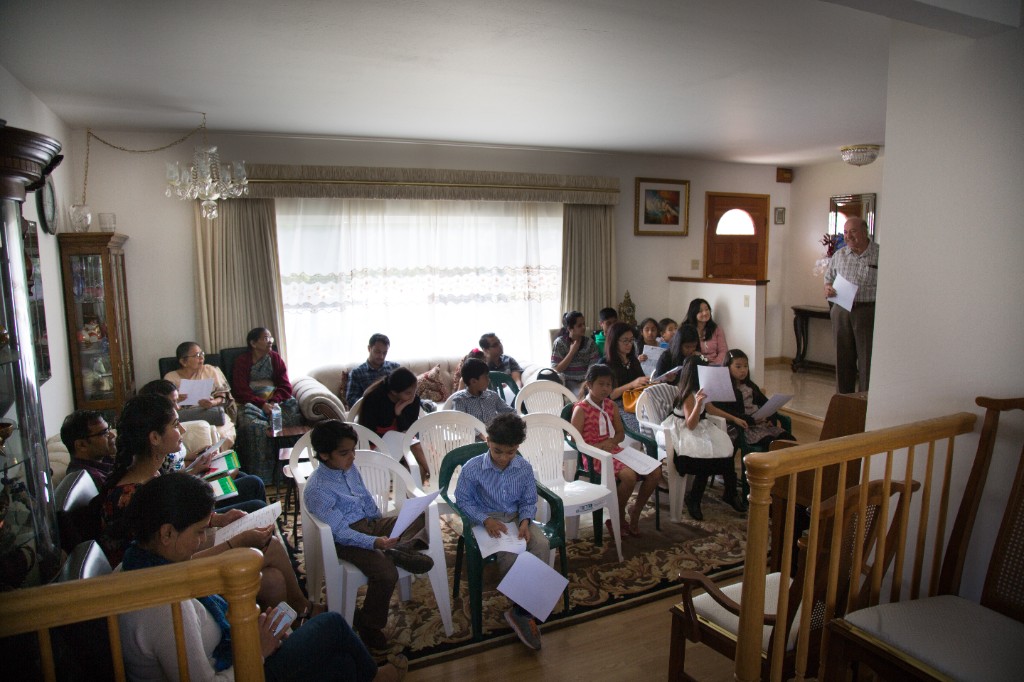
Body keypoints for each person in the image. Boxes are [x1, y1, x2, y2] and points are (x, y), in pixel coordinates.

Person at [118, 472, 407, 682]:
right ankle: (376, 676)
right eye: (199, 532)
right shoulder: (166, 609)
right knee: (332, 624)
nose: (203, 540)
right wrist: (257, 650)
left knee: (342, 666)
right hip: (241, 666)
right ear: (167, 533)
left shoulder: (135, 567)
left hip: (231, 653)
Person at [97, 396, 316, 622]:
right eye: (175, 425)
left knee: (273, 577)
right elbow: (166, 564)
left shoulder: (149, 475)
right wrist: (236, 542)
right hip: (157, 585)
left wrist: (218, 520)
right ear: (154, 438)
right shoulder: (131, 496)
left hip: (174, 564)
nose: (182, 430)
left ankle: (290, 621)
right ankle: (303, 609)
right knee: (270, 549)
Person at [303, 420, 433, 651]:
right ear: (324, 455)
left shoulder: (348, 468)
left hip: (370, 524)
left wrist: (380, 524)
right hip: (346, 539)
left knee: (419, 517)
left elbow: (364, 496)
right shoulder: (318, 489)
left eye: (353, 450)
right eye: (344, 453)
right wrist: (374, 542)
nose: (352, 457)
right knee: (386, 572)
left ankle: (399, 550)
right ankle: (370, 625)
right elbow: (341, 532)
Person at [453, 413, 549, 650]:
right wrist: (485, 520)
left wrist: (525, 521)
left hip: (516, 516)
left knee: (541, 545)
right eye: (498, 451)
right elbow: (463, 500)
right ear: (487, 441)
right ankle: (522, 611)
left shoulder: (523, 467)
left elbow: (529, 499)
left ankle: (524, 607)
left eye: (511, 452)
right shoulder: (473, 468)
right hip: (489, 518)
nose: (504, 458)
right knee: (510, 554)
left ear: (518, 448)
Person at [137, 380, 268, 513]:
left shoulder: (162, 449)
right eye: (172, 402)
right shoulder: (152, 463)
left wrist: (197, 459)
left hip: (189, 487)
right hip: (190, 500)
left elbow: (174, 472)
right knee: (254, 486)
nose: (177, 407)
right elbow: (172, 490)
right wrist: (196, 473)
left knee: (243, 477)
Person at [571, 365, 662, 537]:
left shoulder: (611, 405)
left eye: (609, 384)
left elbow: (620, 433)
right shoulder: (581, 409)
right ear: (589, 384)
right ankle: (617, 517)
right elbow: (576, 440)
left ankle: (635, 511)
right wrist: (599, 447)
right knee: (629, 476)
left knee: (655, 471)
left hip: (612, 449)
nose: (606, 388)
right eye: (601, 384)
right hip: (593, 455)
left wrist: (611, 441)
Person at [661, 356, 746, 521]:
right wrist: (698, 404)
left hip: (700, 425)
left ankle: (730, 492)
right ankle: (694, 498)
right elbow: (691, 424)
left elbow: (711, 409)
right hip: (685, 429)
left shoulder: (701, 389)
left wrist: (734, 418)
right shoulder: (688, 395)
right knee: (706, 455)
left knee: (724, 449)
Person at [231, 327, 303, 481]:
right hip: (251, 403)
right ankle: (262, 476)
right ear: (253, 343)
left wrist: (273, 401)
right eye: (265, 338)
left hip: (275, 401)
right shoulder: (242, 361)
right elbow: (240, 390)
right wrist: (262, 404)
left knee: (290, 419)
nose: (270, 341)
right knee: (253, 427)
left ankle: (286, 472)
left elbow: (285, 385)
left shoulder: (275, 358)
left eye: (271, 338)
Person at [824, 217, 879, 394]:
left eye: (853, 231)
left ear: (865, 232)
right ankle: (844, 399)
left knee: (866, 359)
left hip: (867, 310)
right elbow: (828, 279)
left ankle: (864, 400)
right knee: (842, 358)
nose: (848, 236)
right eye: (846, 232)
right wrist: (828, 288)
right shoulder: (839, 255)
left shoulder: (879, 254)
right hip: (841, 310)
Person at [356, 368, 430, 483]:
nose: (413, 396)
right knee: (414, 447)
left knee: (417, 464)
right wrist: (395, 413)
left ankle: (422, 488)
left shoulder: (413, 400)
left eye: (415, 390)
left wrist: (399, 413)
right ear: (394, 392)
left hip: (403, 439)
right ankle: (437, 477)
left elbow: (409, 429)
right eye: (408, 393)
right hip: (377, 443)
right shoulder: (374, 398)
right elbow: (367, 431)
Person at [713, 349, 794, 449]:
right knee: (771, 443)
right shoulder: (724, 389)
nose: (743, 370)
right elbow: (727, 411)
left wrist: (770, 418)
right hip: (746, 428)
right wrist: (751, 420)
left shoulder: (750, 385)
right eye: (738, 367)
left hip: (763, 424)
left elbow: (766, 403)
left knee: (789, 440)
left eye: (746, 366)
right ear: (728, 367)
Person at [163, 341, 237, 449]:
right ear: (183, 361)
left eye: (202, 353)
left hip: (212, 413)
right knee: (200, 438)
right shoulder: (170, 377)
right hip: (187, 417)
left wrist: (212, 402)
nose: (202, 357)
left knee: (220, 435)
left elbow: (222, 395)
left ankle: (218, 459)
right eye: (197, 355)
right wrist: (177, 400)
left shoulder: (210, 370)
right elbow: (165, 404)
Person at [449, 358, 515, 426]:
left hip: (494, 432)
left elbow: (510, 412)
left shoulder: (492, 396)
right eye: (486, 377)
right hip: (471, 432)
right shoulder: (460, 400)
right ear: (473, 381)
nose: (489, 380)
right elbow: (459, 424)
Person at [61, 410, 116, 488]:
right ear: (82, 445)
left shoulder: (103, 459)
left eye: (108, 429)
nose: (112, 435)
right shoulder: (90, 480)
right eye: (104, 433)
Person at [551, 311, 601, 394]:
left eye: (584, 324)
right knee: (582, 395)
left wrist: (586, 383)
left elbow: (593, 368)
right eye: (579, 325)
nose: (584, 327)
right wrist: (572, 352)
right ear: (570, 328)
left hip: (587, 381)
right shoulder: (560, 343)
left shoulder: (590, 343)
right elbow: (556, 369)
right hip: (568, 381)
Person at [598, 322, 650, 401]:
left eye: (631, 340)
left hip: (634, 401)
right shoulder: (605, 363)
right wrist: (632, 385)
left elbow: (642, 383)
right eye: (625, 341)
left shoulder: (633, 360)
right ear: (614, 341)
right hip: (614, 404)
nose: (629, 344)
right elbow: (607, 395)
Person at [346, 333, 400, 408]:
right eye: (377, 352)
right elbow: (351, 400)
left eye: (385, 353)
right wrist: (371, 403)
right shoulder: (357, 373)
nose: (381, 356)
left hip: (395, 408)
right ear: (369, 348)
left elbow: (405, 391)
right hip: (371, 410)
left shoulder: (395, 368)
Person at [683, 298, 729, 365]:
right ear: (693, 313)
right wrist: (705, 361)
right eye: (700, 311)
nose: (705, 313)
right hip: (695, 364)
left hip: (716, 365)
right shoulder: (686, 329)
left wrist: (715, 364)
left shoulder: (717, 329)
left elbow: (723, 351)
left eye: (707, 309)